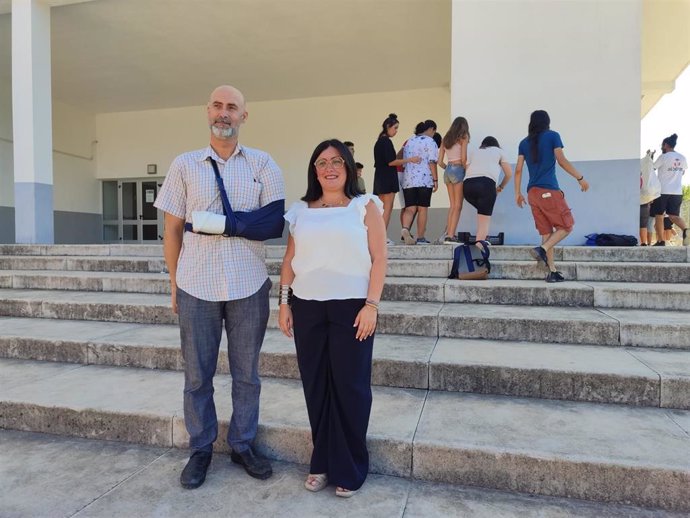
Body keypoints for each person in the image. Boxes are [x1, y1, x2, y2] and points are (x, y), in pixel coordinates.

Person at [154, 85, 285, 489]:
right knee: (197, 377)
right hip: (196, 284)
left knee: (247, 375)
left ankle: (243, 444)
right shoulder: (184, 164)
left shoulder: (263, 164)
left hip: (248, 286)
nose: (223, 113)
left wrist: (232, 225)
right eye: (217, 105)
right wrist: (175, 283)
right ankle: (201, 448)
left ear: (245, 116)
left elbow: (273, 224)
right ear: (206, 111)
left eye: (232, 107)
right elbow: (172, 229)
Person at [278, 139, 387, 498]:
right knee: (317, 386)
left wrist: (372, 304)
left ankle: (351, 466)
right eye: (322, 162)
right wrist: (284, 302)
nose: (329, 167)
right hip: (308, 308)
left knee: (350, 387)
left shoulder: (365, 206)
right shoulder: (301, 211)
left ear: (349, 166)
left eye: (337, 160)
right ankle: (321, 461)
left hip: (352, 307)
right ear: (314, 169)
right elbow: (289, 261)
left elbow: (379, 258)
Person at [514, 110, 589, 282]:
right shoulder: (553, 136)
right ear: (547, 122)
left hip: (532, 193)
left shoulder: (524, 143)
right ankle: (542, 249)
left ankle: (552, 271)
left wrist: (517, 193)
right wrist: (580, 178)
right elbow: (561, 160)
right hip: (548, 190)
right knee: (567, 226)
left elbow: (518, 170)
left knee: (547, 232)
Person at [373, 113, 421, 243]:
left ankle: (378, 236)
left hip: (380, 177)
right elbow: (391, 161)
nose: (396, 131)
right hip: (387, 178)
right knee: (387, 208)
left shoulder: (379, 141)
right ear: (388, 127)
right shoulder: (386, 142)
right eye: (395, 128)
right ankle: (381, 237)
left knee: (382, 209)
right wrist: (410, 159)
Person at [463, 136, 512, 250]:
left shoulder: (475, 151)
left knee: (481, 214)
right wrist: (500, 187)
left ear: (483, 144)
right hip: (486, 184)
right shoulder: (499, 151)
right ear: (496, 144)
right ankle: (479, 250)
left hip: (468, 186)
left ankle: (481, 240)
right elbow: (509, 173)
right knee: (484, 221)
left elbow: (467, 169)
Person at [400, 120, 439, 245]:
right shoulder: (430, 142)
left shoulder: (410, 141)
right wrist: (435, 179)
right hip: (424, 180)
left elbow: (404, 161)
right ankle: (420, 237)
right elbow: (432, 162)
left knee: (410, 208)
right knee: (422, 209)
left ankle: (405, 229)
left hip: (408, 179)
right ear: (431, 129)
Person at [650, 133, 688, 246]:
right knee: (673, 216)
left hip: (663, 191)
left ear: (665, 145)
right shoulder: (682, 158)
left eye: (662, 145)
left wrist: (650, 158)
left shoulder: (663, 157)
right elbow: (683, 171)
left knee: (659, 215)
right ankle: (687, 230)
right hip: (677, 192)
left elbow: (652, 168)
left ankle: (661, 241)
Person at [438, 117, 470, 243]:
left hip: (448, 170)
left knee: (452, 205)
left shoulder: (445, 139)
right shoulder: (463, 137)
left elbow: (439, 162)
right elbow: (463, 158)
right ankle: (451, 235)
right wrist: (464, 170)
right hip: (458, 169)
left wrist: (448, 169)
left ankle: (448, 233)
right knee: (458, 205)